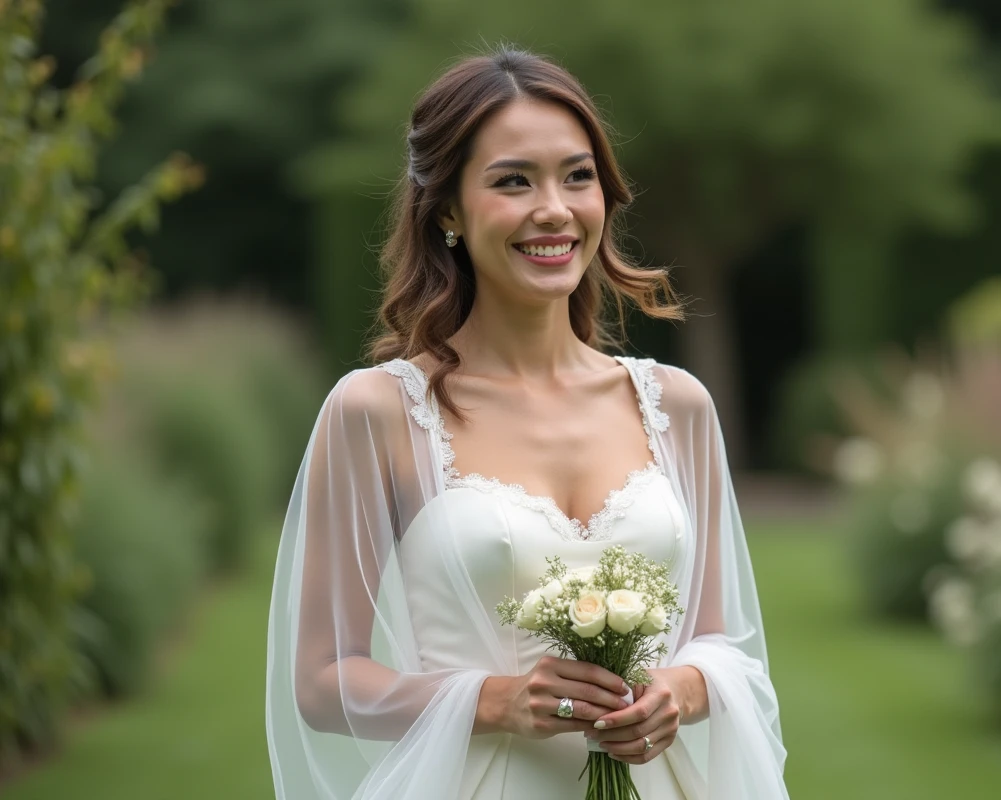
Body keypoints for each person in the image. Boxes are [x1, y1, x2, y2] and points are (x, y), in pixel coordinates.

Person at [265, 47, 789, 799]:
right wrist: (495, 700)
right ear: (447, 208)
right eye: (514, 181)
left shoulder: (677, 407)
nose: (554, 208)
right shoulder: (377, 413)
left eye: (577, 176)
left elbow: (722, 643)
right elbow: (322, 683)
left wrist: (681, 691)